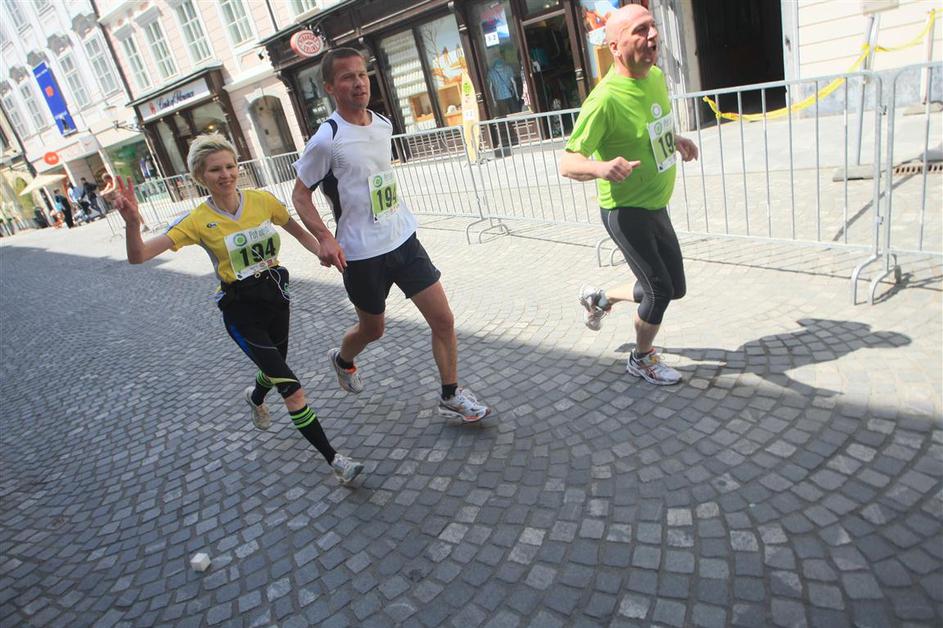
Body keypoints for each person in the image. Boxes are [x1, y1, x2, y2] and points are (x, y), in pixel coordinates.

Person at [107, 133, 364, 484]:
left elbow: (297, 230)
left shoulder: (262, 200)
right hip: (241, 312)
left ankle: (256, 397)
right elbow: (138, 256)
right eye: (215, 169)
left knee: (274, 367)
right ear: (200, 175)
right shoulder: (196, 220)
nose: (226, 174)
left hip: (276, 299)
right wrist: (132, 224)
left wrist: (324, 250)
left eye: (230, 166)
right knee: (291, 387)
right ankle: (335, 460)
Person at [291, 47, 491, 423]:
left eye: (362, 74)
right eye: (347, 77)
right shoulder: (326, 138)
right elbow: (300, 195)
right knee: (373, 330)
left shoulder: (383, 123)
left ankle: (450, 394)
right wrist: (325, 237)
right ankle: (343, 359)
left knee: (443, 320)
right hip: (360, 254)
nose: (359, 82)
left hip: (402, 238)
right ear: (330, 87)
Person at [559, 4, 698, 386]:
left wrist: (675, 139)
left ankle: (600, 299)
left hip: (656, 203)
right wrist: (601, 168)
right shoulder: (604, 99)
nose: (652, 36)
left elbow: (651, 127)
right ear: (616, 47)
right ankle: (642, 358)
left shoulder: (655, 76)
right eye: (640, 30)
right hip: (626, 210)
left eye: (652, 26)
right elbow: (568, 163)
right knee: (659, 291)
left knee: (674, 286)